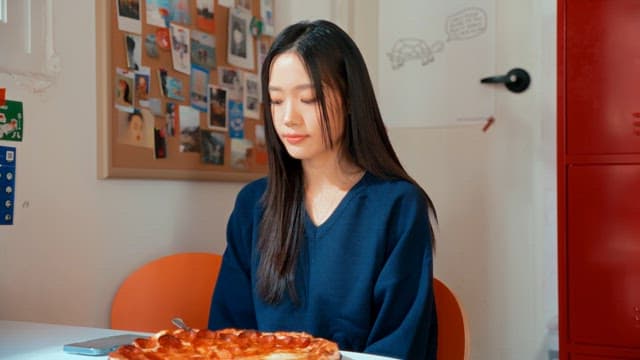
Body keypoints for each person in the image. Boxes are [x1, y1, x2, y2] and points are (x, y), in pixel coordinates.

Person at [208, 20, 438, 360]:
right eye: (275, 100)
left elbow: (401, 346)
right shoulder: (253, 205)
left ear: (348, 99)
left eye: (309, 98)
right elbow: (227, 336)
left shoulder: (397, 207)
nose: (288, 118)